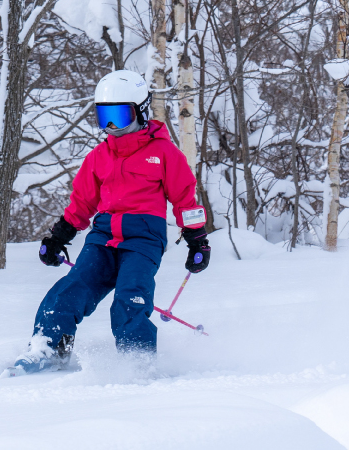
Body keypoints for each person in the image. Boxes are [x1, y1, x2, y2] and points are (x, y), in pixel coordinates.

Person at [11, 70, 211, 374]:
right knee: (69, 290)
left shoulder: (163, 153)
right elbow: (81, 202)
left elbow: (185, 198)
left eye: (119, 117)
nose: (112, 127)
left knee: (130, 297)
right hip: (103, 237)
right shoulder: (99, 157)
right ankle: (49, 349)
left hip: (144, 239)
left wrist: (197, 239)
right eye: (105, 118)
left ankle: (137, 362)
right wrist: (58, 238)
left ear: (141, 112)